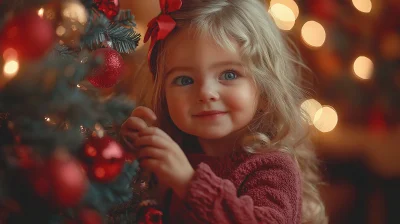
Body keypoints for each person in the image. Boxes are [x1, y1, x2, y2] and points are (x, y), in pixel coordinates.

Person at [121, 0, 327, 223]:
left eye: (229, 75)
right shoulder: (181, 152)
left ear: (265, 91)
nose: (206, 92)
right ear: (163, 95)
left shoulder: (273, 167)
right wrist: (132, 155)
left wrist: (189, 183)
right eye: (184, 79)